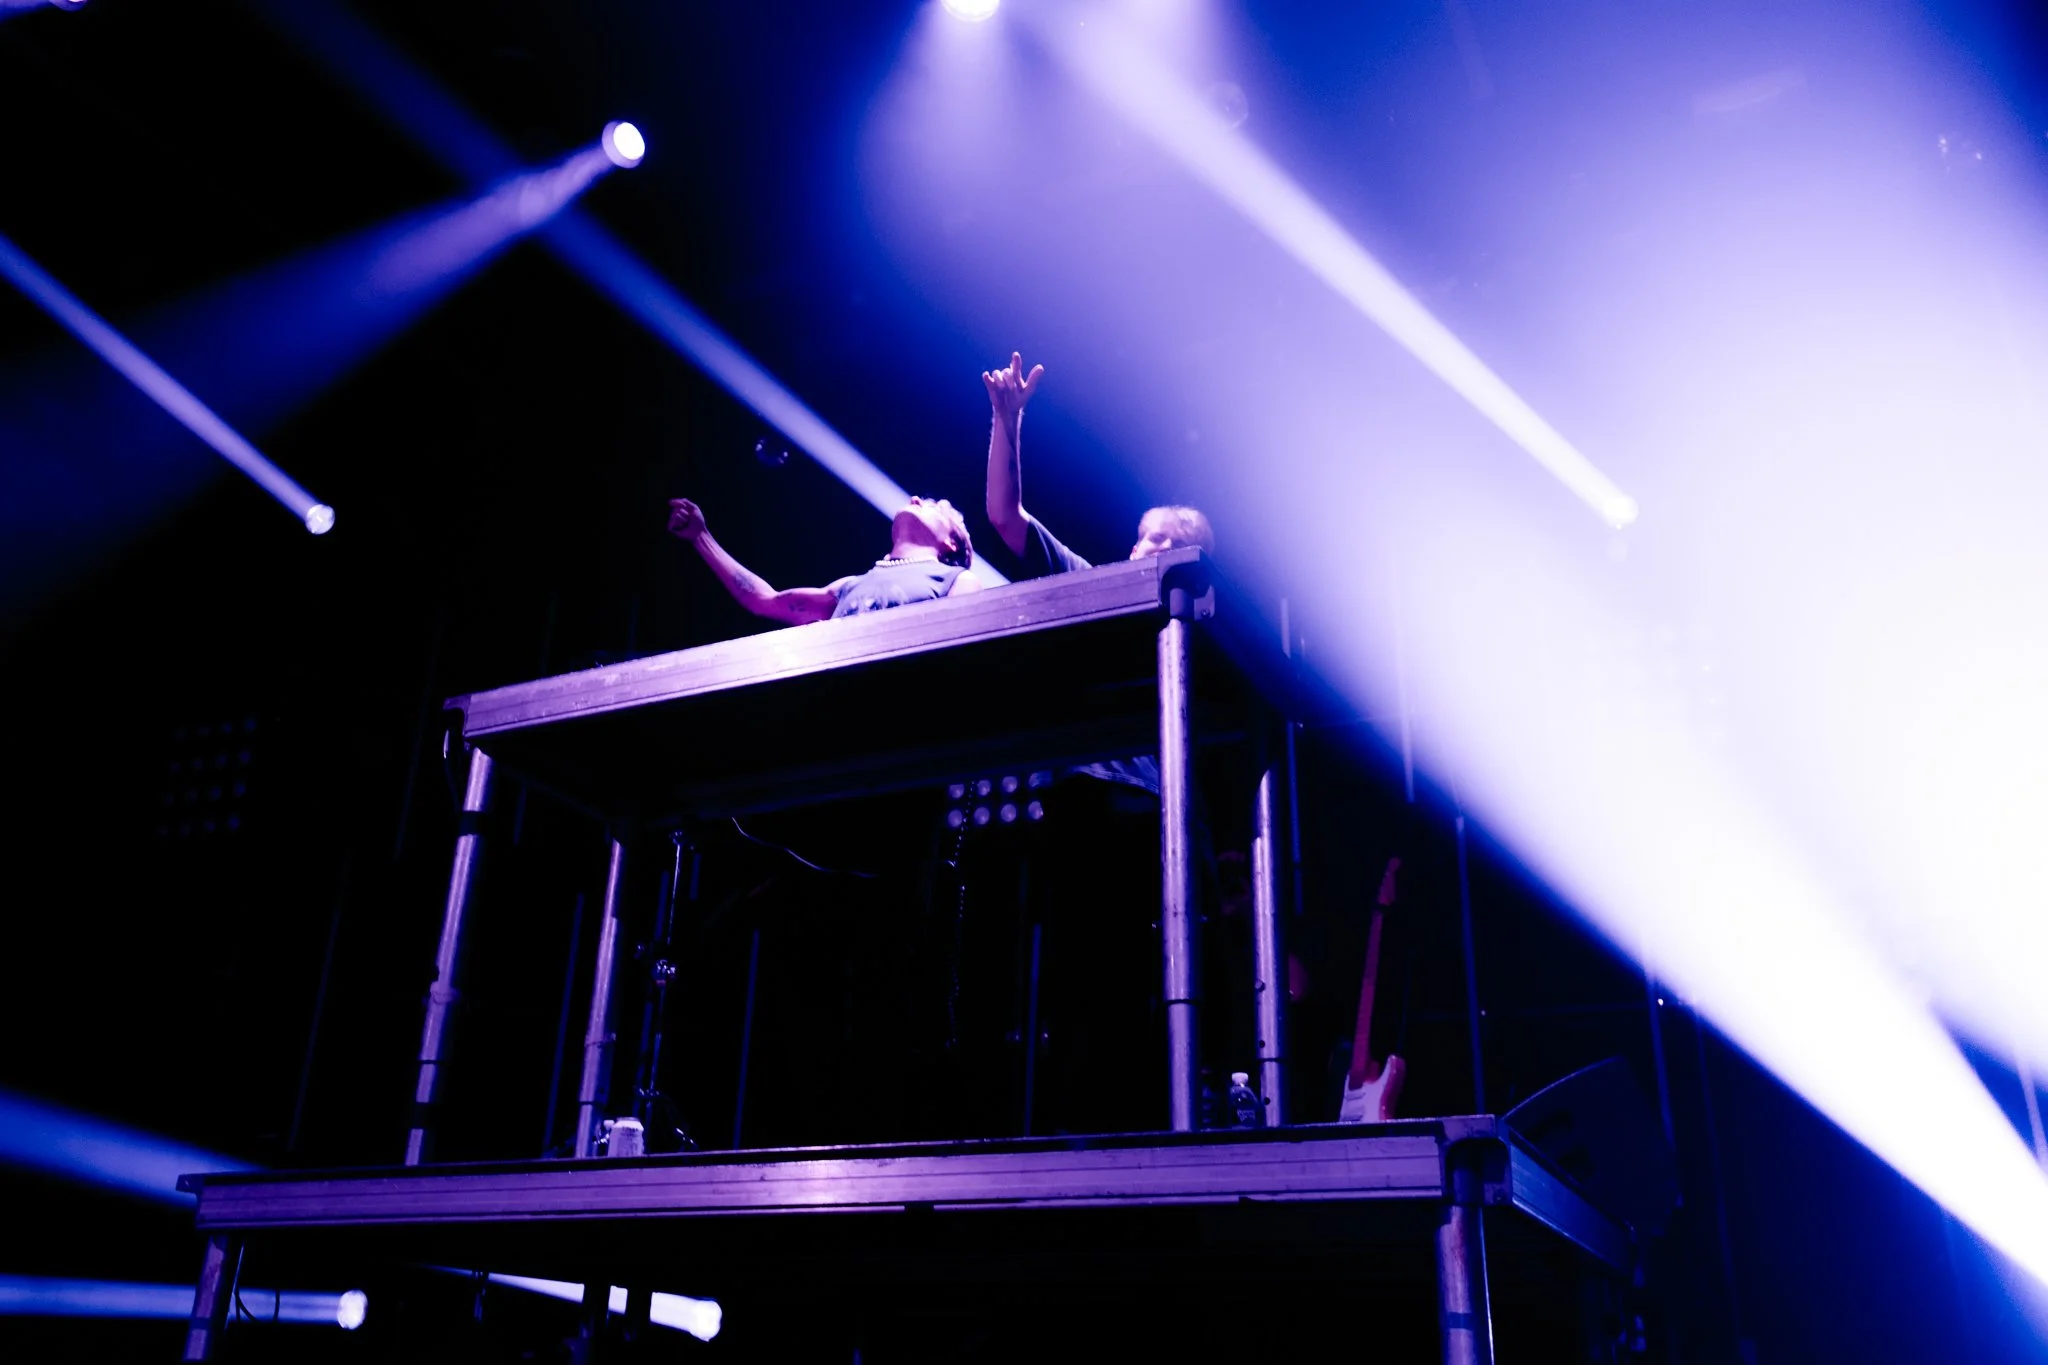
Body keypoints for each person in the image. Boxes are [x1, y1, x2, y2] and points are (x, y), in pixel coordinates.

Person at [982, 351, 1213, 581]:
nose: (1166, 548)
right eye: (1157, 538)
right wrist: (1007, 416)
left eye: (1180, 547)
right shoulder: (1090, 583)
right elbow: (1005, 516)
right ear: (1134, 552)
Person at [665, 493, 983, 621]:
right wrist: (701, 537)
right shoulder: (848, 587)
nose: (914, 499)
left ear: (951, 544)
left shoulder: (957, 581)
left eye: (931, 505)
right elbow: (765, 600)